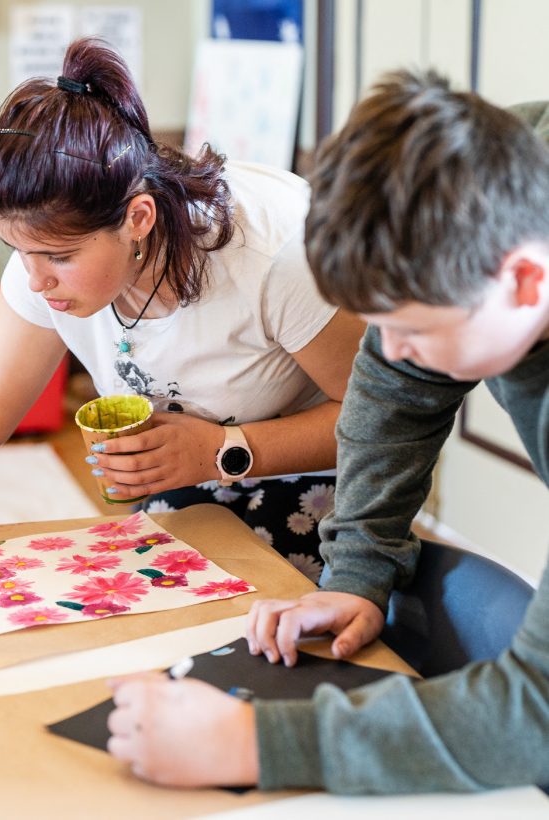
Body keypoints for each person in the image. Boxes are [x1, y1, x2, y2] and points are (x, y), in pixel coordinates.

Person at [107, 70, 549, 792]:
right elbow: (397, 384)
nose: (392, 353)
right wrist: (358, 569)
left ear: (526, 284)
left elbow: (537, 714)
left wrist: (257, 742)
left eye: (409, 330)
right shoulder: (503, 170)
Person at [0, 38, 362, 573]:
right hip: (188, 500)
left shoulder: (274, 253)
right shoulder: (41, 262)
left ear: (138, 218)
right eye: (17, 250)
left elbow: (375, 417)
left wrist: (221, 450)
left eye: (58, 256)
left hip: (321, 500)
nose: (36, 280)